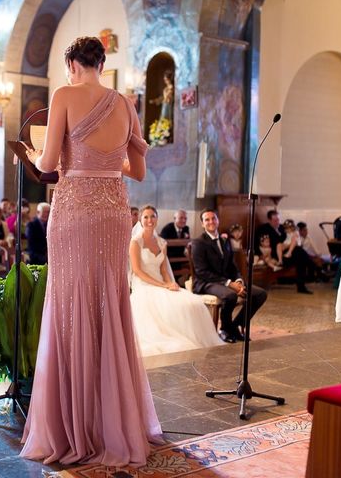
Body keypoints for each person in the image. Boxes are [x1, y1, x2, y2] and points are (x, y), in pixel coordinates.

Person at [20, 36, 161, 466]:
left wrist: (27, 150)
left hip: (75, 210)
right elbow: (136, 170)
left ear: (72, 64)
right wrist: (103, 163)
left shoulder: (64, 94)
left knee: (70, 304)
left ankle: (75, 426)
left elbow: (46, 165)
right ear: (101, 63)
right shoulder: (125, 104)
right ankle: (114, 423)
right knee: (108, 304)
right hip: (114, 211)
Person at [130, 205, 221, 356]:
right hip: (144, 286)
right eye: (145, 217)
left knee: (193, 302)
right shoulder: (135, 242)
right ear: (140, 220)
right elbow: (138, 272)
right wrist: (163, 285)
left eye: (152, 216)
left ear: (157, 219)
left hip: (162, 284)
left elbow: (164, 270)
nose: (149, 220)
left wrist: (170, 283)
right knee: (169, 306)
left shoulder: (161, 242)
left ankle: (198, 339)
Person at [192, 209, 268, 343]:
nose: (211, 222)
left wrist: (238, 280)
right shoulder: (198, 243)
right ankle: (224, 329)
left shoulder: (224, 240)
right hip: (206, 282)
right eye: (207, 220)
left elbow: (232, 266)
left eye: (213, 218)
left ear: (218, 220)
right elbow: (202, 271)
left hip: (225, 281)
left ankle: (237, 325)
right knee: (230, 295)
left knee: (260, 294)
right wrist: (229, 283)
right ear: (202, 224)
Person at [256, 210, 313, 294]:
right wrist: (262, 256)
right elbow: (259, 244)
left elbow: (293, 235)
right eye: (275, 220)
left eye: (278, 220)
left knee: (299, 254)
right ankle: (312, 269)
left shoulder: (282, 228)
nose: (277, 222)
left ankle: (302, 285)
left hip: (289, 253)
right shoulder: (264, 229)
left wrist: (290, 245)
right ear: (269, 220)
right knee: (300, 254)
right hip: (277, 257)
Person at [159, 209, 190, 275]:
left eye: (185, 218)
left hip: (181, 256)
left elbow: (187, 242)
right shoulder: (167, 229)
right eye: (181, 218)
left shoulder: (186, 228)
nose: (184, 221)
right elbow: (161, 244)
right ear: (175, 218)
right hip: (169, 257)